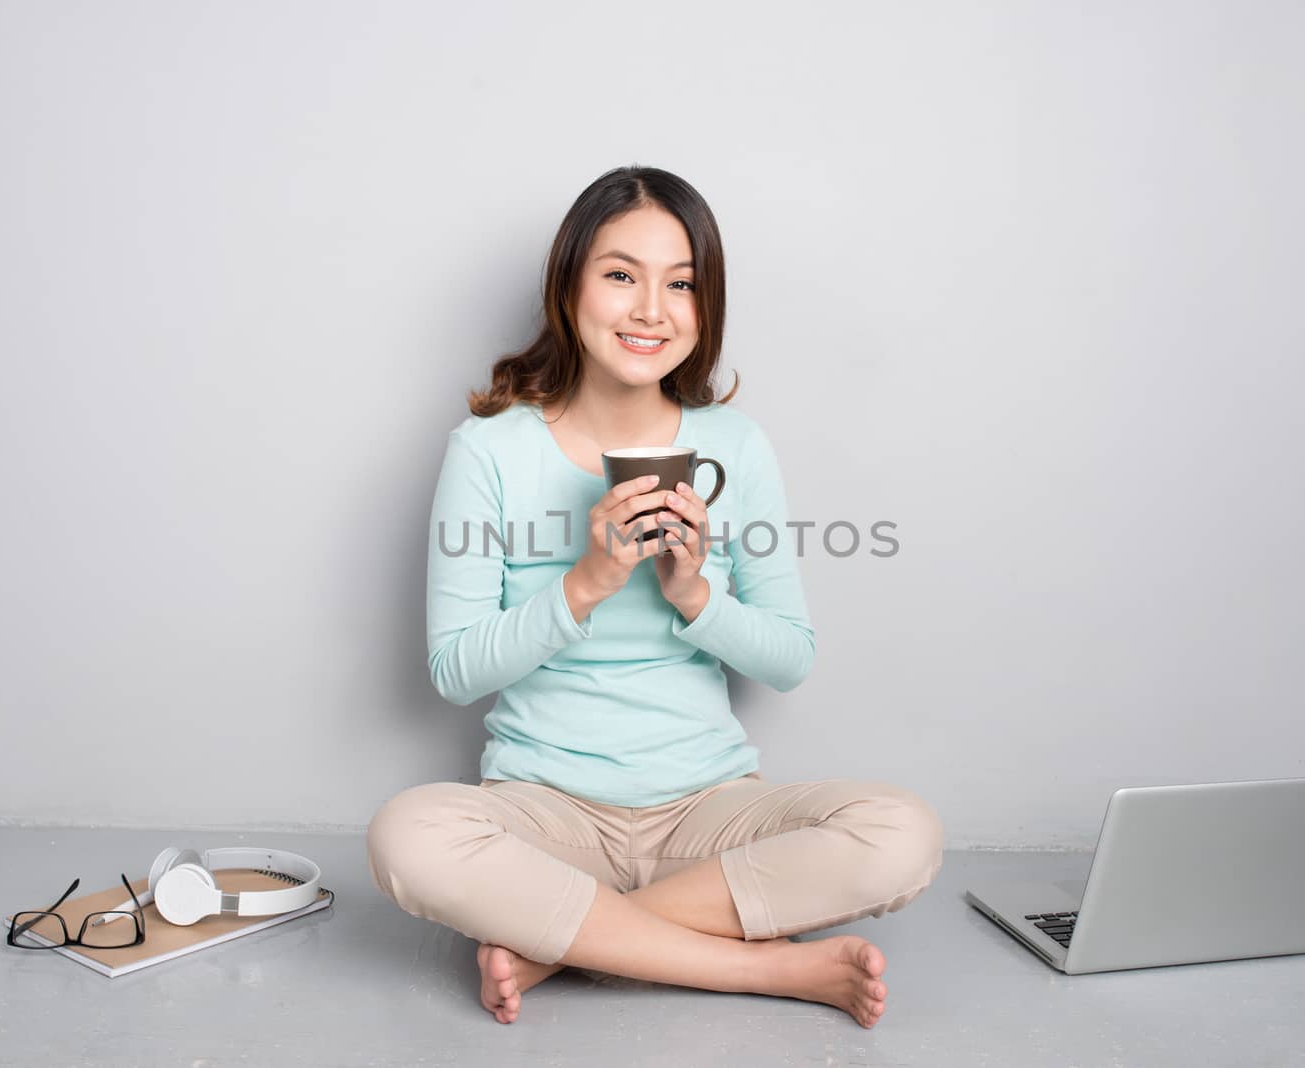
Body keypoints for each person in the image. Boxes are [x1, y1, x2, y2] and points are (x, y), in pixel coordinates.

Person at [367, 166, 943, 1029]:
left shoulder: (734, 446)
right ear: (569, 287)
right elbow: (455, 670)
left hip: (707, 810)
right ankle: (761, 970)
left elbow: (791, 658)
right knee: (407, 833)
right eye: (621, 275)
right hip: (545, 813)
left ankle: (557, 946)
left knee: (904, 832)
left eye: (681, 284)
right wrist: (586, 583)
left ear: (704, 307)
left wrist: (694, 592)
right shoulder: (490, 450)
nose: (650, 310)